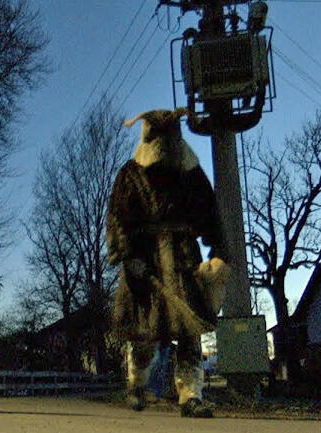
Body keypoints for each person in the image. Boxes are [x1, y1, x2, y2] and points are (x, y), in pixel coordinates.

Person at [105, 108, 229, 418]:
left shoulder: (191, 174)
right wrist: (127, 253)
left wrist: (219, 253)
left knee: (190, 332)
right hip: (144, 261)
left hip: (184, 257)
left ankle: (191, 394)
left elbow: (210, 215)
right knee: (144, 333)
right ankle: (136, 385)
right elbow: (118, 216)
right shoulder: (130, 173)